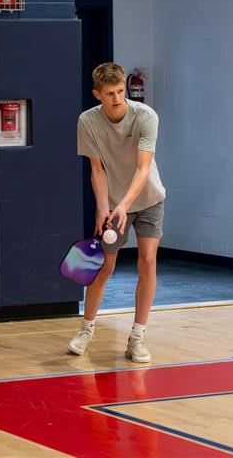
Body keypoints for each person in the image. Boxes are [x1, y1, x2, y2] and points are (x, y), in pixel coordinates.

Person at [68, 62, 166, 363]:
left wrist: (124, 205)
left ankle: (137, 338)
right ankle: (86, 330)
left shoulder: (146, 116)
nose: (117, 98)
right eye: (109, 93)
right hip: (112, 203)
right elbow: (96, 170)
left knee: (147, 262)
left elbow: (143, 168)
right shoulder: (87, 121)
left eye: (120, 91)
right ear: (97, 94)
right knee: (104, 267)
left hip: (148, 199)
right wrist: (103, 207)